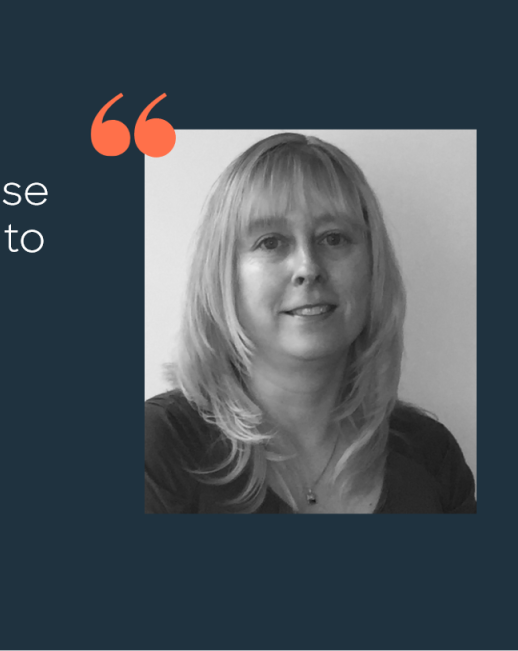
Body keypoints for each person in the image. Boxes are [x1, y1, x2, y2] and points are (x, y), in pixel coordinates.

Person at [144, 133, 476, 514]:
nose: (308, 267)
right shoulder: (160, 450)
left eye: (333, 238)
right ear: (223, 278)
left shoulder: (431, 456)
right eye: (271, 242)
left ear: (373, 268)